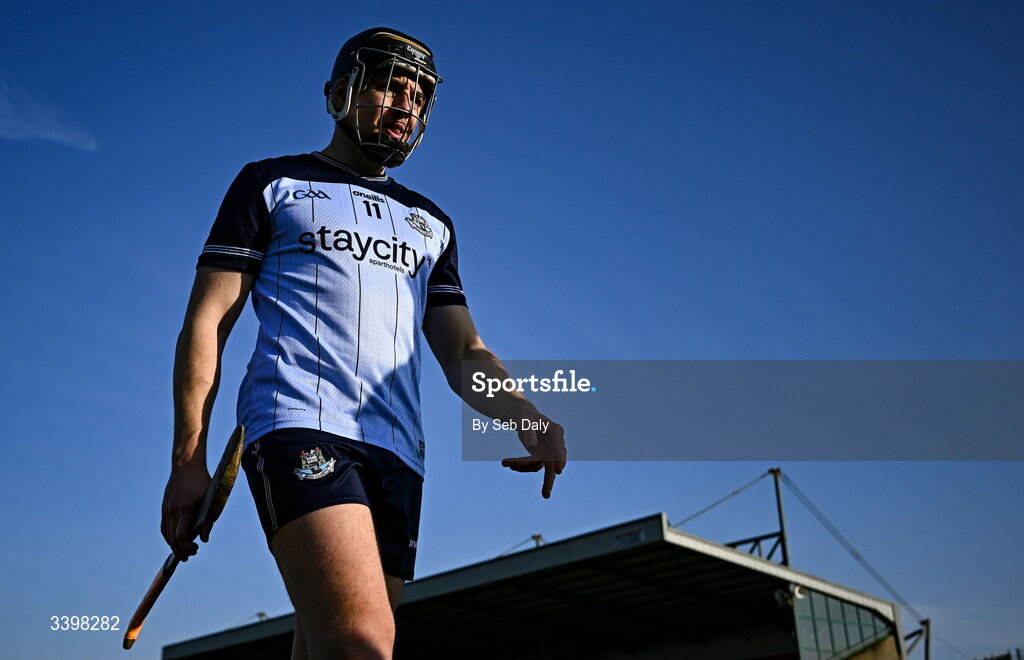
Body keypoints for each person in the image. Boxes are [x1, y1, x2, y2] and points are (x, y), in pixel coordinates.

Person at [159, 27, 566, 660]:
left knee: (327, 646)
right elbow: (207, 322)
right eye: (387, 85)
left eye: (418, 95)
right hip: (301, 426)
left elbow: (463, 353)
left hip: (399, 455)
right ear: (338, 92)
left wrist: (528, 417)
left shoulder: (432, 224)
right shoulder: (271, 183)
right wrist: (189, 460)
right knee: (362, 644)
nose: (404, 104)